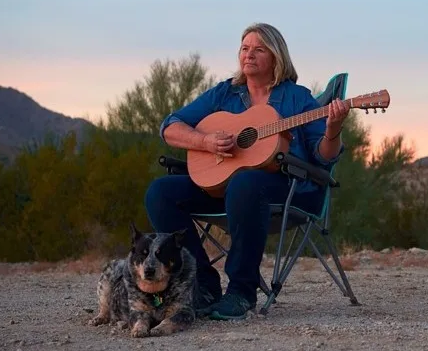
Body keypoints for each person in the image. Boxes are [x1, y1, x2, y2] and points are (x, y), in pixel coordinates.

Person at [144, 22, 349, 320]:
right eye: (244, 48)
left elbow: (323, 157)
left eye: (259, 49)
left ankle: (241, 292)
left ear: (276, 57)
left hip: (291, 189)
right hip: (227, 188)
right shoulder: (224, 93)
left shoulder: (297, 98)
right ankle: (202, 282)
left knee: (246, 182)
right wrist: (205, 141)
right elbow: (170, 127)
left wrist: (333, 130)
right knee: (159, 193)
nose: (248, 54)